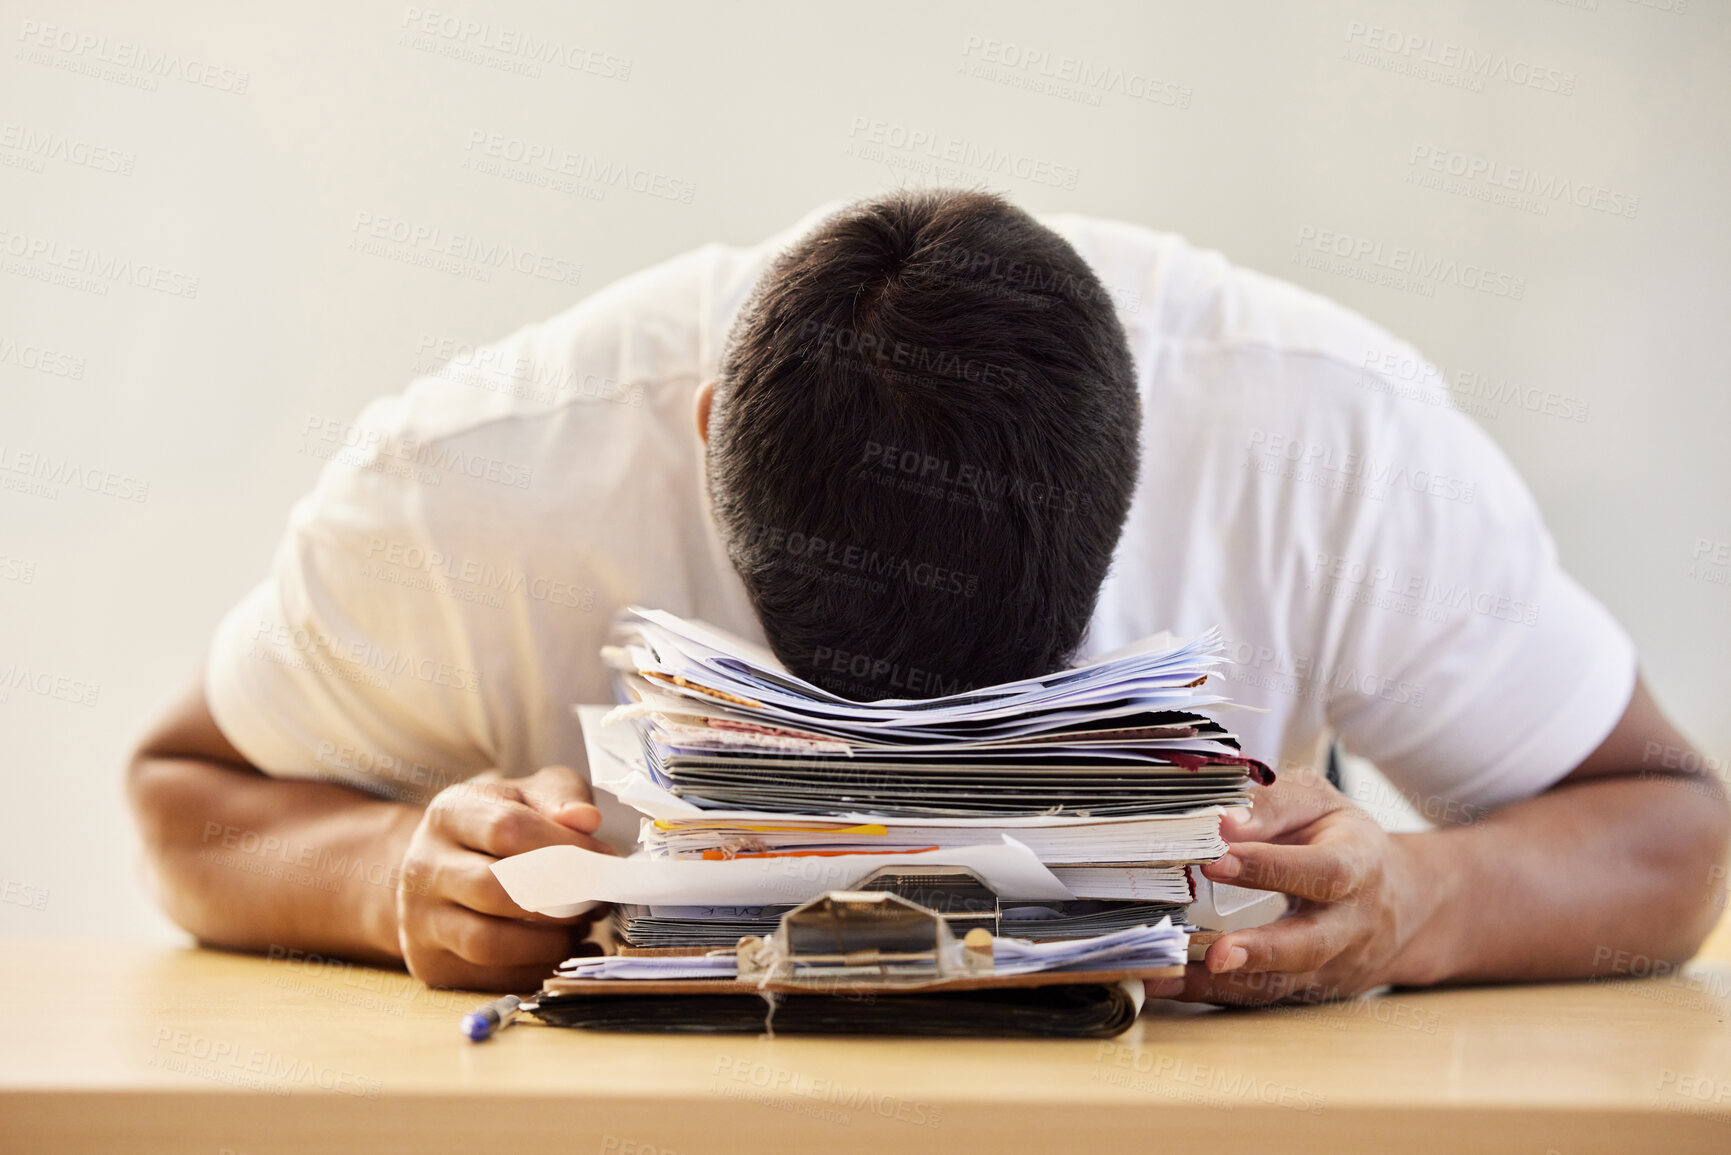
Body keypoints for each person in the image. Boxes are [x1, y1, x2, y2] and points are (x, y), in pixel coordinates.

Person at [127, 190, 1729, 1001]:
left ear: (1154, 460)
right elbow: (182, 795)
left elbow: (1670, 830)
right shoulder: (477, 480)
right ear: (700, 442)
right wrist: (376, 880)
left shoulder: (1330, 442)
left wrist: (1427, 907)